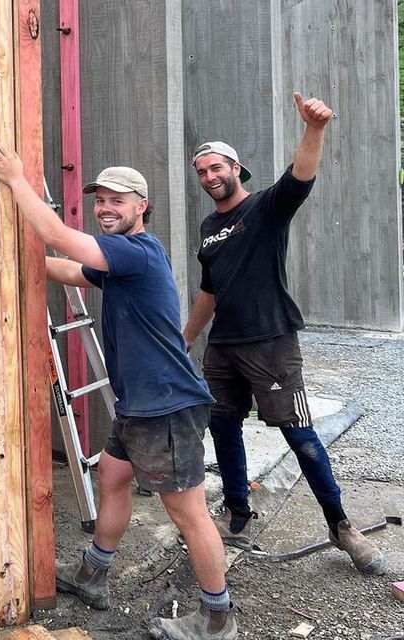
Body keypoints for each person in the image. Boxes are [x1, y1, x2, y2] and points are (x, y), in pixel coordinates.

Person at [0, 141, 237, 640]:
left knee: (188, 512)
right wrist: (8, 258)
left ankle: (216, 617)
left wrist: (16, 180)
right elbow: (71, 268)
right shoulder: (124, 259)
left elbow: (58, 236)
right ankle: (93, 574)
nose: (105, 208)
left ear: (141, 205)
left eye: (117, 200)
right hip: (139, 406)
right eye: (100, 200)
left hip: (166, 405)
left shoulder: (136, 251)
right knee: (113, 475)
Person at [183, 93, 387, 575]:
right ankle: (238, 511)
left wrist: (313, 129)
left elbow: (300, 178)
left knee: (300, 435)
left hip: (272, 343)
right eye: (202, 172)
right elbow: (209, 290)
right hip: (224, 348)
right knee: (223, 428)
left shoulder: (264, 209)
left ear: (237, 168)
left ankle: (341, 527)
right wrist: (187, 335)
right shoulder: (210, 227)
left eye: (216, 168)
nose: (210, 177)